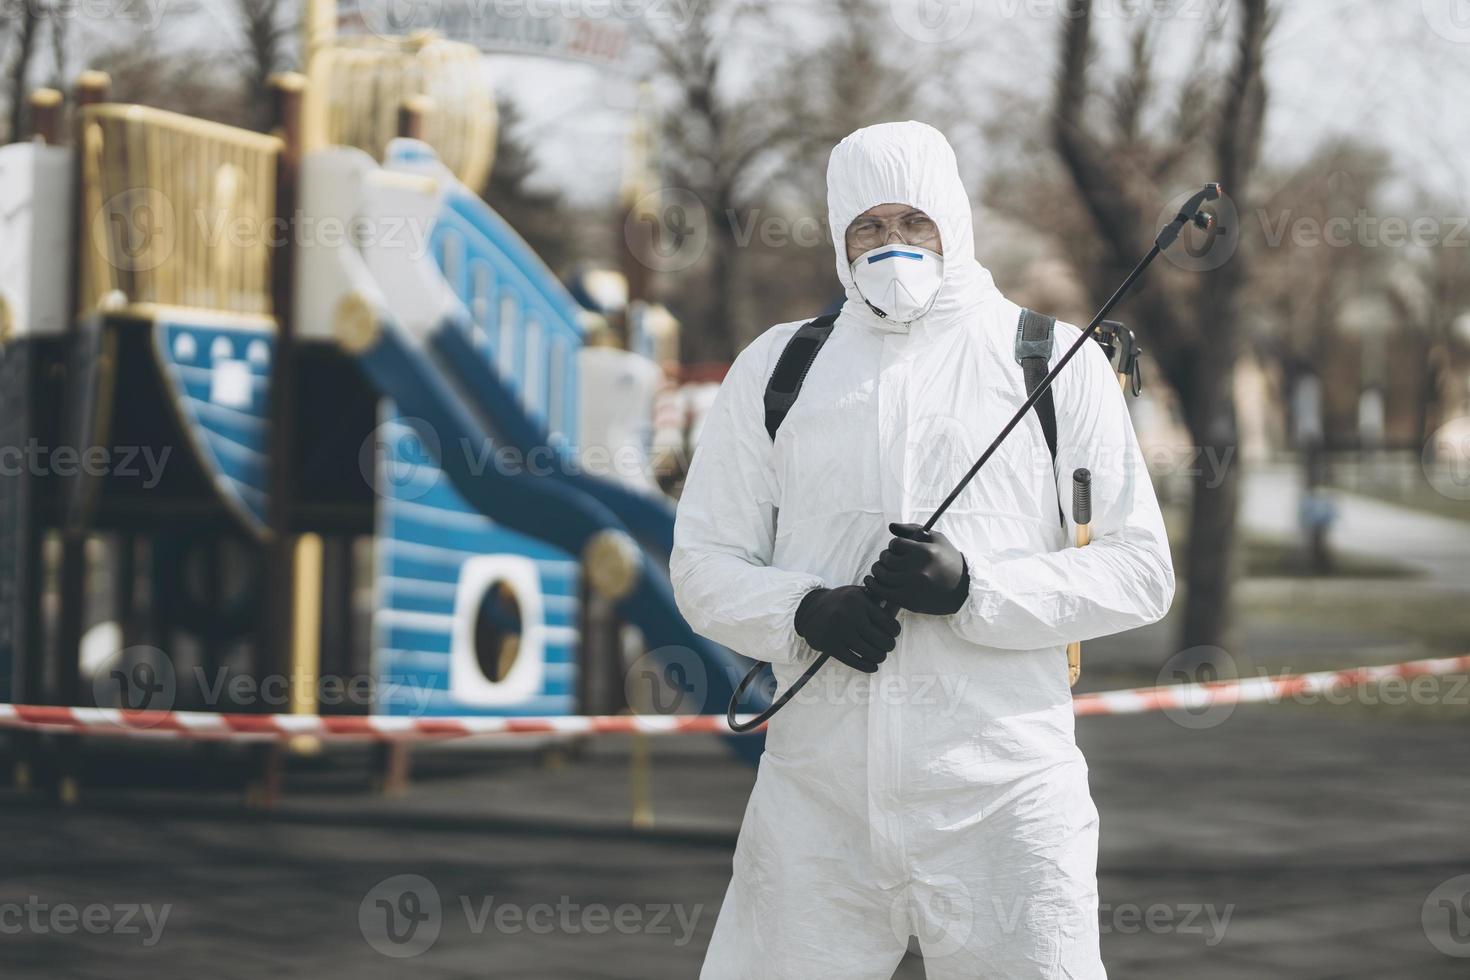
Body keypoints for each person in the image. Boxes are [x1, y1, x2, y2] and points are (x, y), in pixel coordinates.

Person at [670, 120, 1174, 979]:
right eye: (868, 226)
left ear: (955, 222)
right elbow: (703, 564)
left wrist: (974, 590)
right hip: (816, 805)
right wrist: (802, 612)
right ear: (839, 236)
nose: (892, 244)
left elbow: (1139, 572)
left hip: (1006, 800)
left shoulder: (1052, 363)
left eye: (915, 222)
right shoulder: (778, 368)